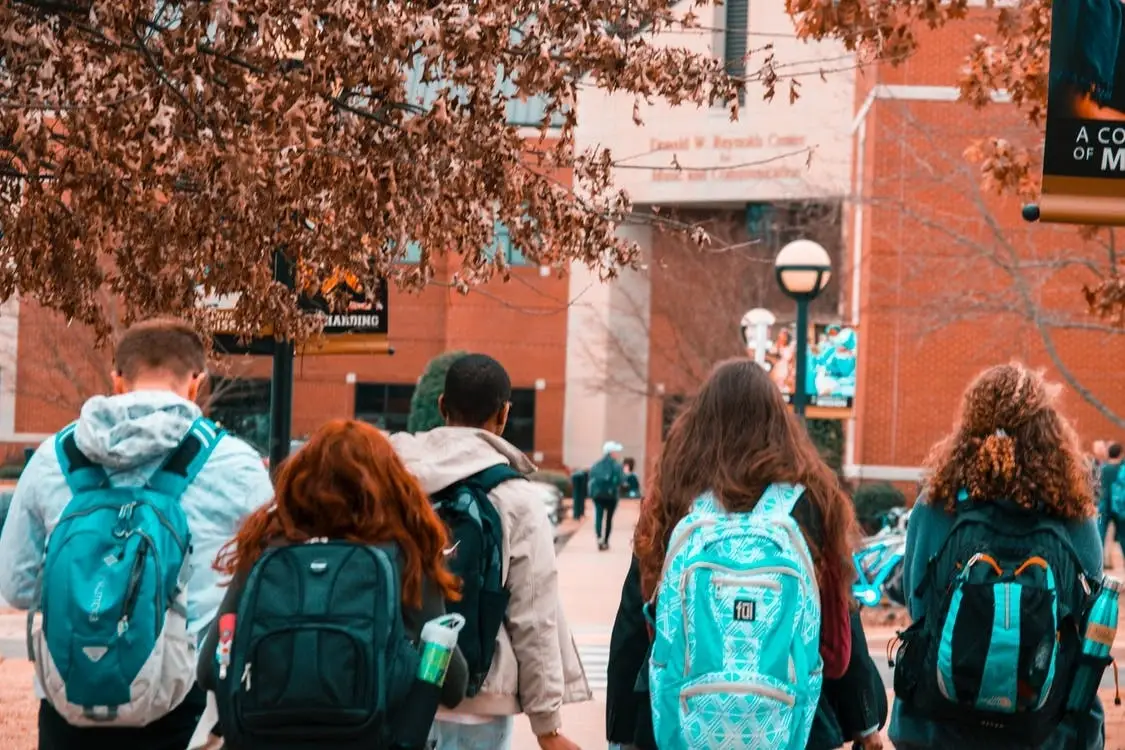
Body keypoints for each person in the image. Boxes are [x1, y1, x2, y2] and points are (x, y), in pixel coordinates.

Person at [0, 317, 274, 750]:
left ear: (118, 380)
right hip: (184, 706)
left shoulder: (53, 459)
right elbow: (266, 587)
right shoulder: (236, 465)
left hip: (70, 701)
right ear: (196, 382)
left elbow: (16, 586)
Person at [197, 420, 469, 747]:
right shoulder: (404, 557)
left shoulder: (267, 551)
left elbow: (210, 669)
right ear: (389, 485)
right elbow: (453, 685)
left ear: (300, 482)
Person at [632, 358, 857, 748]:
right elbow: (835, 656)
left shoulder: (673, 499)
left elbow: (646, 631)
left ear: (698, 422)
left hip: (685, 729)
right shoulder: (814, 503)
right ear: (780, 424)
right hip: (785, 730)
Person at [889, 363, 1105, 750]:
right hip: (1047, 729)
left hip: (940, 725)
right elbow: (1087, 617)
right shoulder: (1073, 512)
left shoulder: (937, 504)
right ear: (1048, 431)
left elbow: (918, 604)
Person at [390, 353, 591, 750]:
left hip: (401, 688)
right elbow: (535, 615)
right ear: (503, 415)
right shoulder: (516, 497)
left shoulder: (395, 480)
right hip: (480, 701)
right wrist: (546, 727)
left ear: (442, 406)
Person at [589, 441, 627, 551]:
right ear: (611, 453)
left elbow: (591, 477)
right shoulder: (616, 465)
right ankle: (606, 540)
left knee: (599, 516)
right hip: (611, 496)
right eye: (615, 451)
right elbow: (621, 479)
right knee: (609, 519)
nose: (617, 454)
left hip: (598, 495)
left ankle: (599, 537)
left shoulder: (596, 465)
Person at [1099, 442, 1124, 568]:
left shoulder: (1103, 468)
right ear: (1120, 453)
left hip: (1104, 505)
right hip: (1119, 506)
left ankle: (1100, 562)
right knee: (1123, 534)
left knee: (1101, 535)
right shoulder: (1121, 468)